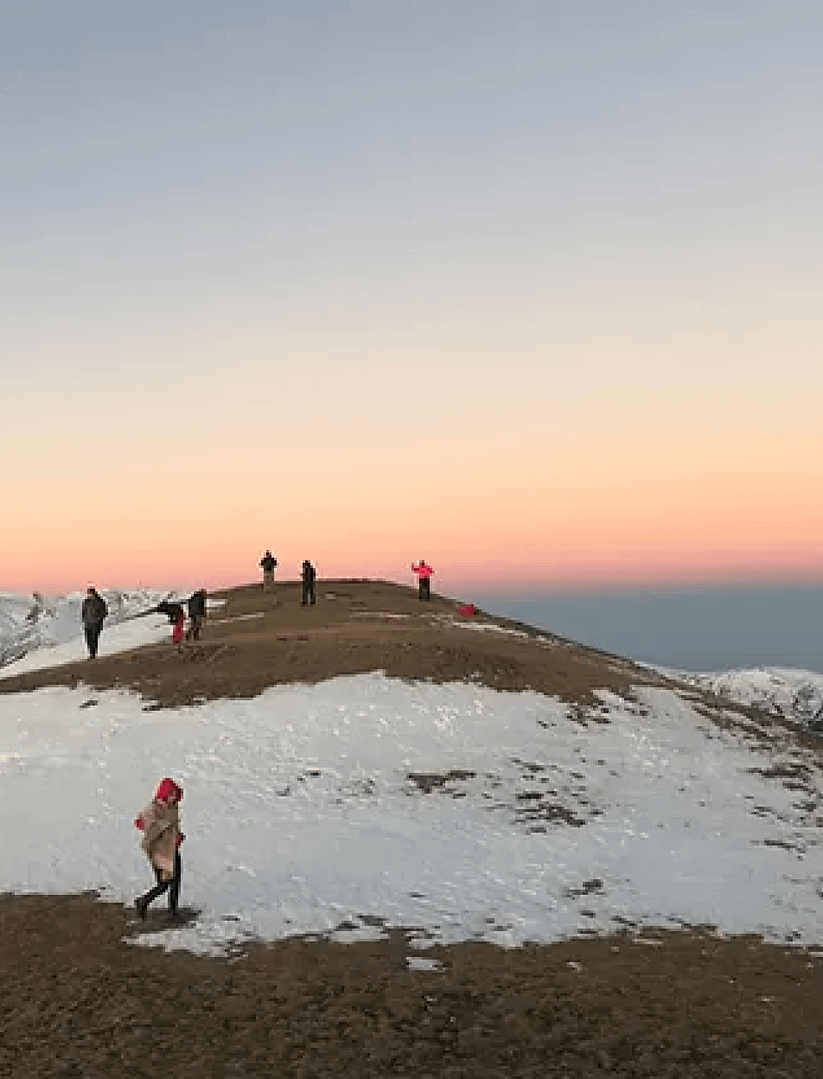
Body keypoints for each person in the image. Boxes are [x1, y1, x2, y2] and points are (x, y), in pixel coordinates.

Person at [134, 777, 185, 919]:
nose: (174, 798)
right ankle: (143, 901)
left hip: (171, 849)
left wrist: (177, 836)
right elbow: (142, 824)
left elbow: (172, 826)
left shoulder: (172, 807)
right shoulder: (153, 809)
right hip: (159, 851)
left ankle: (173, 911)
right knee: (164, 884)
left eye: (175, 794)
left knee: (176, 881)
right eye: (171, 794)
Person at [81, 586, 108, 659]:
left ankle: (93, 654)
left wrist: (98, 619)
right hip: (88, 624)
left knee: (94, 638)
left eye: (90, 593)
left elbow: (104, 612)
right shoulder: (86, 602)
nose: (89, 595)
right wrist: (84, 620)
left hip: (96, 624)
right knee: (88, 639)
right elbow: (83, 612)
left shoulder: (99, 601)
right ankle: (91, 653)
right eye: (88, 593)